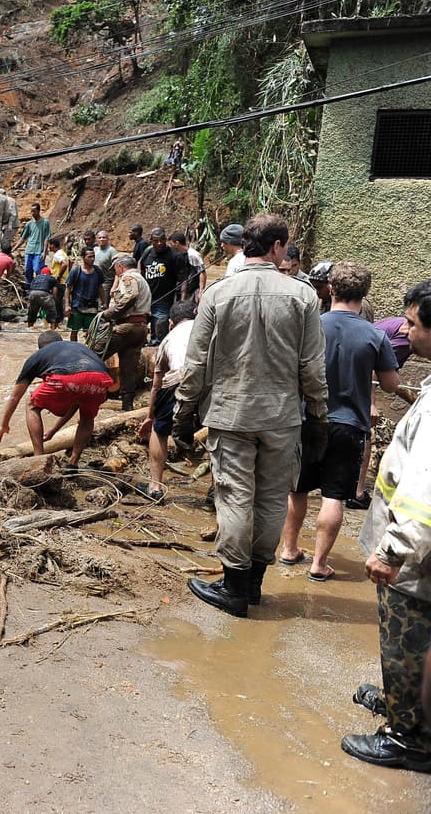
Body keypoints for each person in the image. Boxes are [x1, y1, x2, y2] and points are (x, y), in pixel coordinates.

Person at [175, 213, 327, 618]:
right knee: (273, 498)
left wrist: (183, 415)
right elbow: (312, 366)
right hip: (283, 416)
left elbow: (195, 365)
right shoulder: (303, 296)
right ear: (278, 247)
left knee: (235, 497)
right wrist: (318, 415)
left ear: (245, 246)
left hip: (231, 414)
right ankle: (255, 584)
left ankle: (235, 588)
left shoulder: (218, 295)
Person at [340, 279, 431, 773]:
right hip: (419, 550)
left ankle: (408, 736)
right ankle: (406, 704)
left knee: (406, 639)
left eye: (414, 324)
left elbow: (425, 491)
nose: (406, 330)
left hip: (416, 559)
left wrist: (392, 549)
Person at [279, 262, 400, 581]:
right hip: (350, 426)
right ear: (366, 293)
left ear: (330, 290)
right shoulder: (375, 335)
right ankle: (319, 564)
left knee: (298, 490)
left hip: (308, 419)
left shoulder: (311, 326)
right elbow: (390, 384)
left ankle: (289, 550)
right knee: (334, 496)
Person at [0, 330, 114, 470]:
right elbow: (76, 401)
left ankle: (39, 459)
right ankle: (73, 463)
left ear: (40, 348)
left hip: (65, 378)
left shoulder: (38, 356)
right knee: (87, 417)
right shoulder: (78, 347)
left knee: (32, 405)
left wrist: (4, 425)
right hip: (101, 379)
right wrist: (53, 430)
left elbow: (15, 397)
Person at [136, 299, 198, 502]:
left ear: (171, 322)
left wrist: (150, 416)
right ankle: (215, 490)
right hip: (211, 384)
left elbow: (156, 384)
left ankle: (155, 487)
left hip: (177, 382)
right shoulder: (207, 329)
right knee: (217, 433)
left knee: (160, 431)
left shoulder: (168, 339)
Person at [100, 255, 152, 410]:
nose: (115, 273)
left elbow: (130, 295)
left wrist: (109, 314)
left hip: (127, 326)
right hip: (140, 327)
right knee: (128, 368)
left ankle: (86, 392)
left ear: (120, 266)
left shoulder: (128, 277)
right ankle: (127, 404)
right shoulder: (141, 279)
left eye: (115, 269)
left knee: (94, 353)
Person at [139, 226, 183, 343]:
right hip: (147, 297)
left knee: (160, 328)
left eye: (162, 240)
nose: (159, 243)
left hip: (164, 298)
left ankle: (158, 350)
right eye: (156, 241)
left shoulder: (174, 256)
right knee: (141, 327)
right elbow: (142, 268)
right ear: (151, 241)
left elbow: (182, 280)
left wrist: (180, 300)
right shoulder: (148, 252)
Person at [65, 246, 104, 342]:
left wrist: (105, 302)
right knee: (75, 330)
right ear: (83, 257)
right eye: (89, 257)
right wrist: (67, 305)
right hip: (77, 305)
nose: (92, 259)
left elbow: (100, 288)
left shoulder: (98, 271)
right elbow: (68, 288)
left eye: (93, 256)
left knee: (91, 331)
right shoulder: (76, 271)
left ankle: (89, 351)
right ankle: (74, 350)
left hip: (92, 306)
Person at [168, 230, 207, 300]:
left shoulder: (193, 255)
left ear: (177, 243)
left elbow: (202, 272)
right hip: (178, 290)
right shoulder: (176, 255)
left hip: (192, 291)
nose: (171, 247)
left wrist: (201, 291)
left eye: (171, 244)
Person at [18, 203, 50, 284]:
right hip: (29, 250)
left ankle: (40, 285)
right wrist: (14, 248)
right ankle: (29, 286)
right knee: (28, 270)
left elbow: (46, 237)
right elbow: (23, 238)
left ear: (39, 211)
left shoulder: (45, 222)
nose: (32, 213)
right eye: (31, 211)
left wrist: (44, 252)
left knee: (38, 269)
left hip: (39, 250)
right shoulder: (29, 224)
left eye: (34, 211)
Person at [44, 236, 69, 323]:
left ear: (53, 245)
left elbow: (65, 264)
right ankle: (60, 320)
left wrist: (58, 276)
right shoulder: (63, 253)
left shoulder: (58, 254)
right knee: (59, 301)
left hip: (58, 281)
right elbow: (70, 262)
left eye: (49, 245)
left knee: (56, 301)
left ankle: (57, 320)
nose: (48, 247)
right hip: (63, 281)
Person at [93, 230, 117, 306]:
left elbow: (117, 268)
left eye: (104, 237)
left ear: (108, 239)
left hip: (106, 282)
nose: (102, 239)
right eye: (99, 238)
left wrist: (114, 285)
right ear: (97, 239)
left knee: (103, 304)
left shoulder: (112, 251)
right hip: (94, 280)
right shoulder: (95, 250)